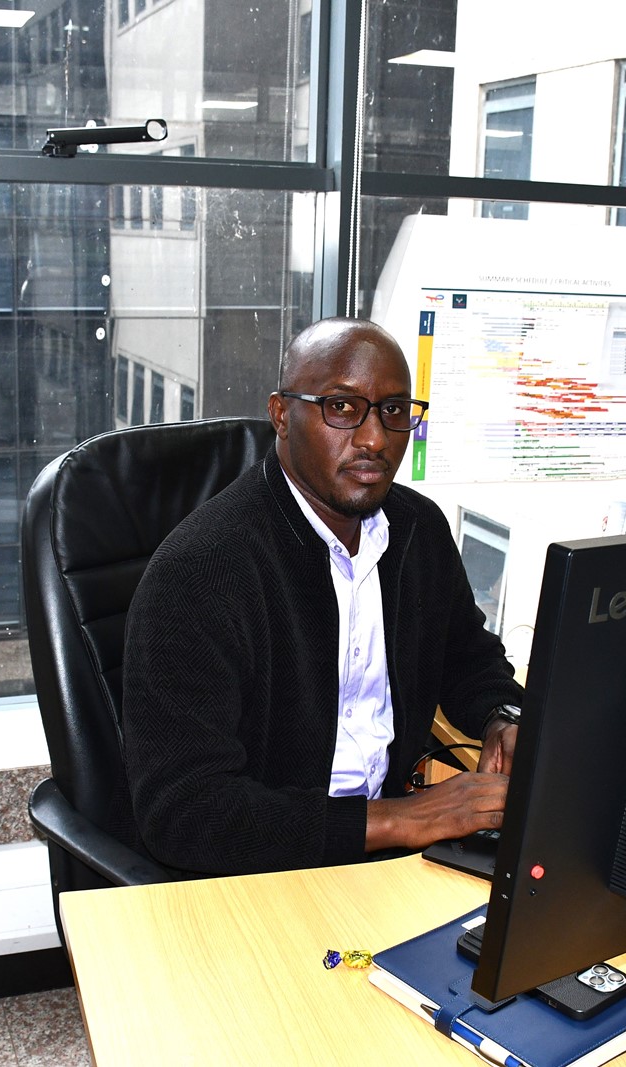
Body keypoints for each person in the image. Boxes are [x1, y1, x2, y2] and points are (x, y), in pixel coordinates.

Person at [120, 317, 525, 875]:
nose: (374, 438)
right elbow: (187, 812)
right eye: (341, 407)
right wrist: (400, 819)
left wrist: (504, 715)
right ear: (282, 414)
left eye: (393, 410)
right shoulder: (201, 571)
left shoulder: (416, 531)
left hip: (389, 863)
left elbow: (467, 659)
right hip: (257, 876)